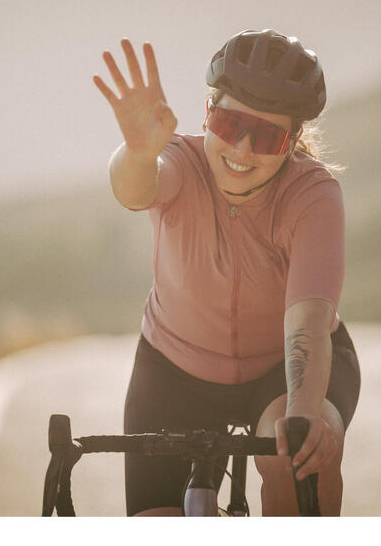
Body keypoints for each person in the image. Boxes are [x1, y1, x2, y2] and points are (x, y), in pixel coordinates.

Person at [93, 29, 361, 516]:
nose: (240, 149)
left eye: (267, 136)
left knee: (296, 460)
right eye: (229, 122)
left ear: (294, 141)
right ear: (207, 113)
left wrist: (303, 419)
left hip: (281, 371)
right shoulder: (178, 160)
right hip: (175, 370)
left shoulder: (313, 195)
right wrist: (138, 151)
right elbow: (134, 191)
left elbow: (306, 325)